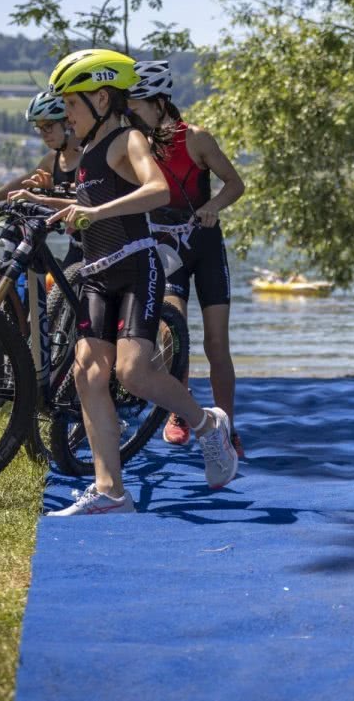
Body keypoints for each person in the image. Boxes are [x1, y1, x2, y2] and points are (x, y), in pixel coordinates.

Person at [32, 48, 237, 516]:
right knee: (88, 373)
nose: (65, 114)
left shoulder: (128, 141)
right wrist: (35, 203)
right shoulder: (85, 152)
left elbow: (157, 190)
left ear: (102, 98)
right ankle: (111, 492)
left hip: (136, 268)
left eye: (71, 104)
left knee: (133, 372)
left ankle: (207, 425)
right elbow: (82, 201)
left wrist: (95, 212)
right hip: (96, 275)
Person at [125, 59, 247, 455]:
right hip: (164, 247)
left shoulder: (196, 138)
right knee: (170, 333)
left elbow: (235, 183)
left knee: (216, 343)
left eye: (138, 103)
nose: (132, 111)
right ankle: (182, 409)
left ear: (160, 102)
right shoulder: (134, 146)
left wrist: (212, 205)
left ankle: (226, 427)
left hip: (205, 245)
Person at [0, 90, 86, 266]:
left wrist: (48, 194)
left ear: (67, 122)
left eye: (48, 126)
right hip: (76, 242)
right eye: (39, 128)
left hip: (98, 242)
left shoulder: (87, 156)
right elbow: (19, 184)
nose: (44, 134)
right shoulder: (52, 159)